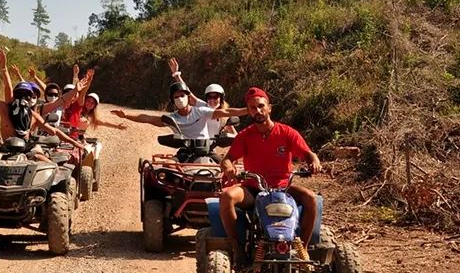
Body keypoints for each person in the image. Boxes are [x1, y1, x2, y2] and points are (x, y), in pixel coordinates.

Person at [218, 87, 323, 262]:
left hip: (284, 188)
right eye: (252, 108)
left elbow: (308, 154)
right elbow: (227, 159)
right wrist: (228, 167)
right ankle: (237, 248)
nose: (257, 111)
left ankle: (302, 249)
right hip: (254, 188)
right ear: (249, 111)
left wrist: (314, 161)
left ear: (269, 108)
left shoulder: (287, 133)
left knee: (311, 198)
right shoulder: (245, 136)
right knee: (226, 196)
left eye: (261, 106)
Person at [110, 81, 247, 140]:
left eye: (182, 95)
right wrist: (126, 115)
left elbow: (227, 112)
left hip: (207, 152)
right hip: (184, 153)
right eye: (176, 97)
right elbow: (146, 118)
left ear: (188, 97)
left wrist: (249, 110)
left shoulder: (202, 111)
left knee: (224, 173)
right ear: (172, 101)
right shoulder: (172, 119)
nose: (180, 99)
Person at [168, 58, 236, 138]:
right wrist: (177, 75)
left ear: (221, 98)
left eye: (215, 97)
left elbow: (236, 135)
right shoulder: (203, 107)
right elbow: (187, 92)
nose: (212, 100)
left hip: (211, 147)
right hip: (195, 145)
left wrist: (226, 136)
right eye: (209, 97)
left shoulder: (224, 117)